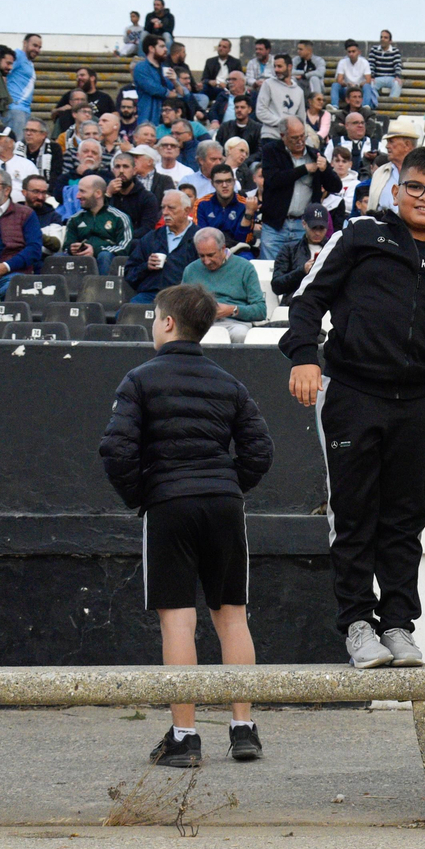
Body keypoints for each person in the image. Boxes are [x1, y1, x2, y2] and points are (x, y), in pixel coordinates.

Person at [280, 146, 425, 668]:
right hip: (352, 395)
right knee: (354, 514)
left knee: (406, 518)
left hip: (416, 405)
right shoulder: (359, 234)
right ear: (397, 190)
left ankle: (400, 625)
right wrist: (302, 356)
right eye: (417, 187)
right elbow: (307, 299)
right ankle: (359, 625)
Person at [98, 283, 271, 769]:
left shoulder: (139, 379)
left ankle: (186, 736)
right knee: (232, 615)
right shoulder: (228, 382)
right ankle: (243, 730)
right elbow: (260, 451)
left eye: (155, 318)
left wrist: (145, 494)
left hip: (169, 505)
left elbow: (115, 450)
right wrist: (225, 485)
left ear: (167, 322)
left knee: (178, 618)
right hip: (222, 504)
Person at [259, 118, 342, 260]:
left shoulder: (314, 154)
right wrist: (304, 169)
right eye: (294, 138)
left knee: (300, 270)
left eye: (303, 136)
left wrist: (325, 169)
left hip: (303, 225)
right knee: (269, 269)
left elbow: (335, 187)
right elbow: (273, 180)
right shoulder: (271, 151)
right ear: (282, 136)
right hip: (275, 225)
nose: (300, 141)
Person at [181, 228, 264, 342]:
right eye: (201, 256)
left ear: (223, 249)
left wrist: (233, 310)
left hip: (235, 323)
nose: (206, 261)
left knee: (240, 334)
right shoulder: (191, 270)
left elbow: (261, 310)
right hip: (201, 324)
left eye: (211, 255)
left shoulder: (245, 268)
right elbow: (181, 307)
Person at [123, 189, 198, 302]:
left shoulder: (200, 238)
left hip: (185, 297)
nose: (165, 212)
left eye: (171, 208)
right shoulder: (151, 238)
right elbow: (129, 274)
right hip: (151, 295)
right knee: (126, 314)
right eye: (163, 207)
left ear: (186, 211)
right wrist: (146, 266)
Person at [254, 54, 305, 142]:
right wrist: (283, 124)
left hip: (290, 140)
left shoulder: (299, 91)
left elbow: (302, 118)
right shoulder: (268, 84)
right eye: (275, 66)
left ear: (289, 67)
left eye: (279, 66)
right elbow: (260, 111)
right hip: (270, 136)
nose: (276, 70)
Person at [368, 30, 404, 102]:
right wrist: (371, 76)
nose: (382, 39)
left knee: (397, 84)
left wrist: (397, 76)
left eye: (385, 37)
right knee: (369, 84)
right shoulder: (374, 50)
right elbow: (371, 64)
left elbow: (397, 64)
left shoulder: (395, 51)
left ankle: (391, 103)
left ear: (390, 41)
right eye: (381, 37)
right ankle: (377, 102)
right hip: (377, 78)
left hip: (391, 78)